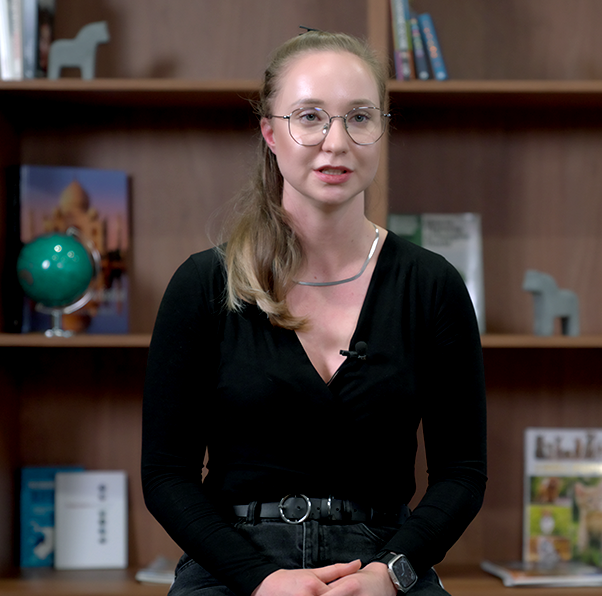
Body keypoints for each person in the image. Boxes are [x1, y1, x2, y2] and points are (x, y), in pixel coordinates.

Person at [141, 29, 487, 596]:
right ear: (270, 133)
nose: (336, 142)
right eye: (309, 116)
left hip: (383, 563)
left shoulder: (433, 285)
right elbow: (165, 476)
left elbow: (462, 475)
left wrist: (391, 574)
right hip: (236, 564)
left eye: (359, 117)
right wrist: (261, 580)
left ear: (383, 130)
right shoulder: (204, 283)